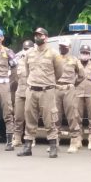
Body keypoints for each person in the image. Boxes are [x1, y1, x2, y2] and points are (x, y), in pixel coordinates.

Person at [19, 27, 64, 158]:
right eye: (36, 35)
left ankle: (53, 146)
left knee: (50, 119)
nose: (37, 37)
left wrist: (49, 82)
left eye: (40, 35)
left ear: (46, 37)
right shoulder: (29, 53)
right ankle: (27, 146)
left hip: (47, 90)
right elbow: (27, 71)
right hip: (32, 89)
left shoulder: (53, 53)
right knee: (30, 118)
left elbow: (59, 71)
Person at [55, 38, 85, 153]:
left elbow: (82, 75)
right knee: (55, 116)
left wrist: (73, 84)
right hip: (57, 88)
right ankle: (55, 141)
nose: (62, 48)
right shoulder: (55, 59)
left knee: (72, 115)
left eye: (64, 46)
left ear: (69, 47)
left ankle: (74, 140)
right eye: (60, 46)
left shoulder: (74, 60)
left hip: (69, 89)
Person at [76, 44, 91, 151]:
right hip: (77, 94)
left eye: (86, 53)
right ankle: (78, 139)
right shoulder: (76, 64)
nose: (84, 55)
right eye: (83, 53)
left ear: (90, 55)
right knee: (77, 117)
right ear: (80, 54)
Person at [12, 40, 34, 147]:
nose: (26, 51)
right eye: (25, 49)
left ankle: (31, 137)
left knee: (30, 117)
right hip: (20, 91)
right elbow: (14, 76)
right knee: (18, 116)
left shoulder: (35, 59)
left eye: (29, 49)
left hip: (31, 91)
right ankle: (17, 138)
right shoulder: (18, 59)